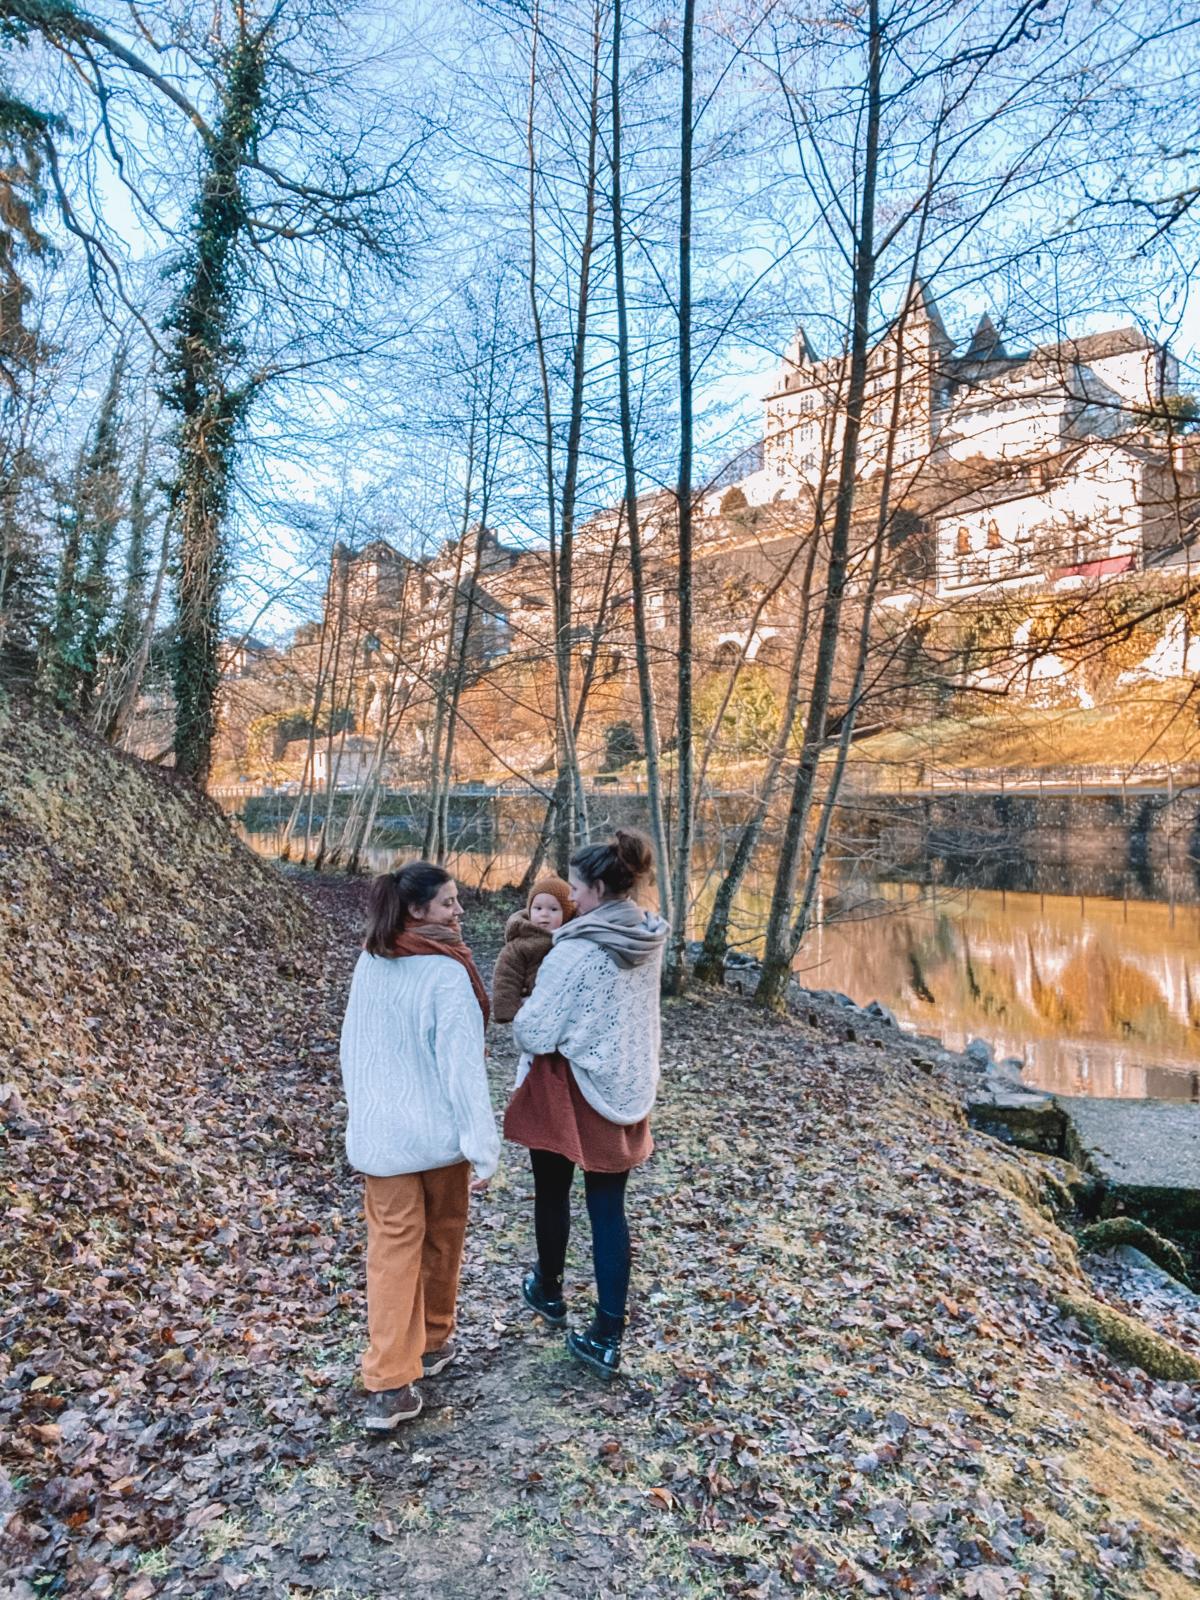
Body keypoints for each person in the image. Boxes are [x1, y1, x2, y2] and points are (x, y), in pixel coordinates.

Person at [340, 861, 499, 1432]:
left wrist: (363, 1115)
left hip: (382, 1139)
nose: (460, 912)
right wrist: (483, 1146)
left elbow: (351, 1049)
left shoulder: (371, 960)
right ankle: (426, 1346)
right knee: (441, 1240)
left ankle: (394, 1377)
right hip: (437, 1139)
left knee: (391, 1253)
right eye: (450, 903)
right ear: (417, 910)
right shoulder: (446, 973)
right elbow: (463, 1072)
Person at [504, 828, 667, 1378]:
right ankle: (607, 1333)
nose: (571, 898)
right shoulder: (647, 936)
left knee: (552, 1192)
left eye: (576, 887)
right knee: (607, 1207)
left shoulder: (575, 952)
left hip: (570, 1085)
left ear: (598, 887)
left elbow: (536, 1031)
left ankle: (549, 1292)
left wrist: (523, 1010)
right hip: (625, 1082)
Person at [490, 875, 576, 1087]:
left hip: (567, 1012)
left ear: (568, 913)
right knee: (531, 1057)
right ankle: (523, 1088)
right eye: (537, 908)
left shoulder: (573, 939)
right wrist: (507, 1009)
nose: (544, 915)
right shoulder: (522, 943)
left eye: (553, 909)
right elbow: (506, 977)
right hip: (534, 1007)